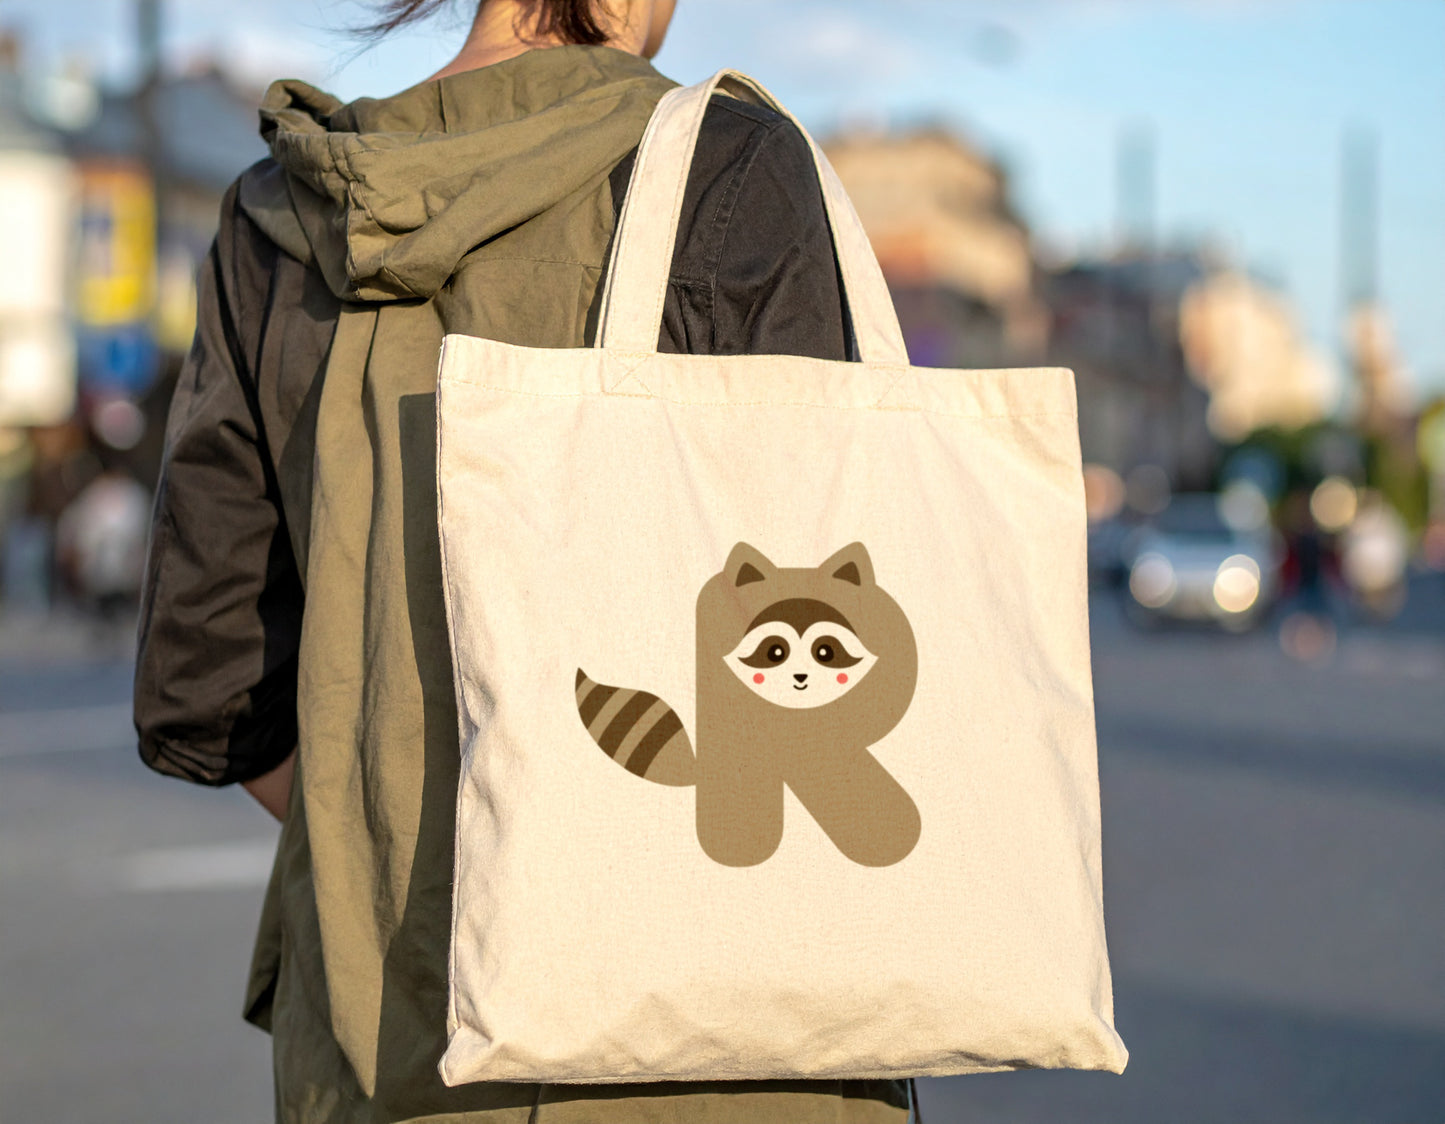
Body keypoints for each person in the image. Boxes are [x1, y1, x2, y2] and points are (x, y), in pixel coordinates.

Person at [134, 1, 914, 1120]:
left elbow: (206, 687)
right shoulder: (731, 169)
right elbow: (833, 616)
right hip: (705, 1050)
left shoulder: (280, 214)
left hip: (379, 1039)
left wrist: (406, 845)